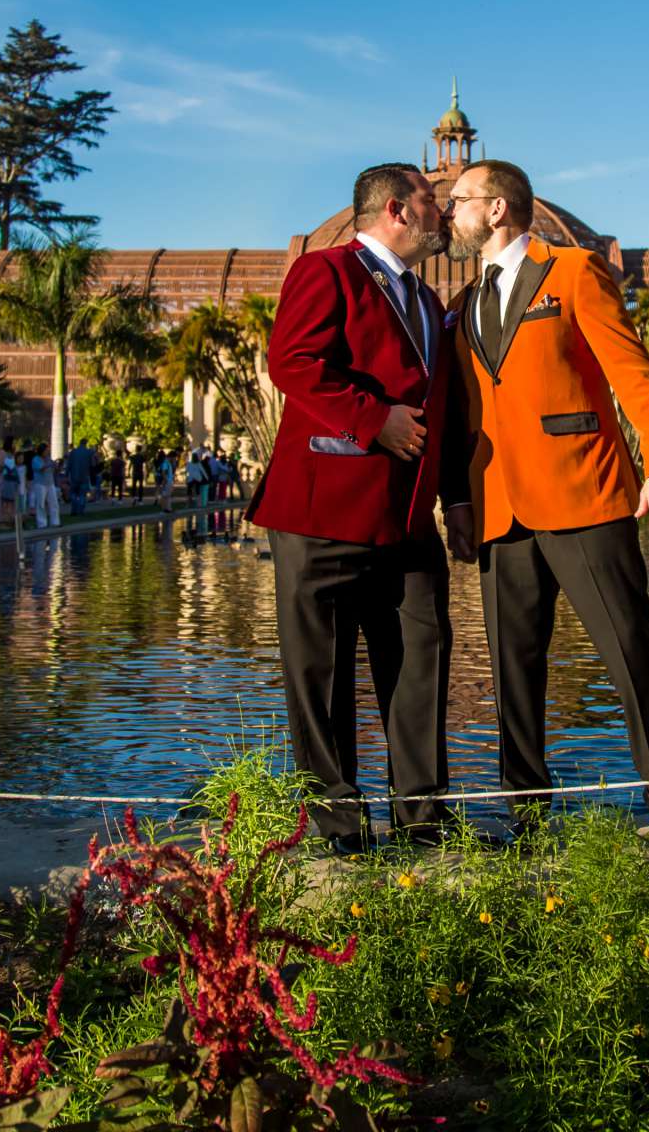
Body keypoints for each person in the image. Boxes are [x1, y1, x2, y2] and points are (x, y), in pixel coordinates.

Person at [443, 158, 649, 834]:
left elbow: (633, 375)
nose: (448, 214)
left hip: (586, 497)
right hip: (500, 511)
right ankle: (526, 820)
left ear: (496, 208)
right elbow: (465, 416)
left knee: (631, 656)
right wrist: (459, 505)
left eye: (458, 201)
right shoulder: (462, 307)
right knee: (512, 676)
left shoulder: (575, 271)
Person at [249, 162, 460, 853]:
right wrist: (375, 421)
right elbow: (293, 362)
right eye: (435, 201)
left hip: (407, 521)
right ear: (398, 209)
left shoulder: (428, 304)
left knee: (422, 660)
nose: (446, 211)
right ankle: (339, 828)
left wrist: (453, 498)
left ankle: (423, 821)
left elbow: (443, 409)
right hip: (323, 514)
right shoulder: (328, 271)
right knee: (322, 676)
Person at [29, 443, 60, 529]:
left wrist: (56, 465)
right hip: (40, 484)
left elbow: (55, 470)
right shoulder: (36, 459)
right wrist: (49, 464)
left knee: (54, 503)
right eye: (46, 451)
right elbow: (41, 468)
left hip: (50, 483)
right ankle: (42, 523)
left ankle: (55, 522)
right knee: (41, 504)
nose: (48, 452)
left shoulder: (48, 459)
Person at [0, 440, 21, 528]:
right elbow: (2, 466)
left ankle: (11, 519)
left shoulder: (12, 454)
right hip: (5, 480)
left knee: (11, 501)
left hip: (11, 480)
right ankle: (2, 520)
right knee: (4, 501)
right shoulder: (3, 453)